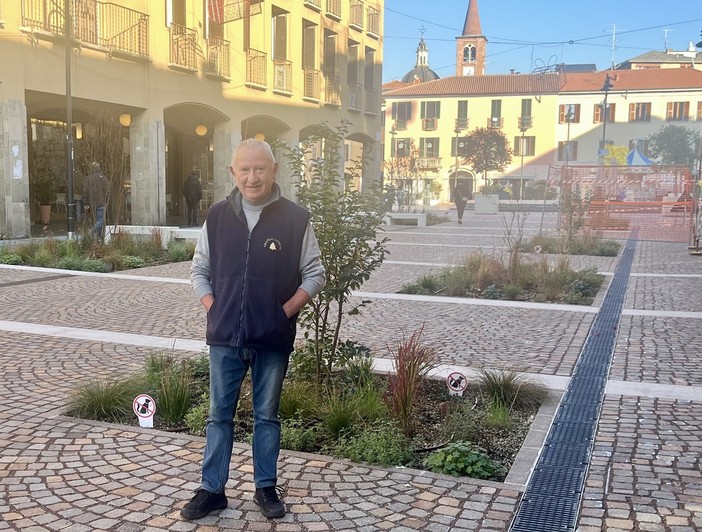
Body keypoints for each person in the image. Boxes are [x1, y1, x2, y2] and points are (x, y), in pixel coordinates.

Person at [184, 139, 326, 521]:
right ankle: (212, 491)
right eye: (244, 169)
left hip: (272, 338)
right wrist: (217, 310)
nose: (252, 177)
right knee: (218, 416)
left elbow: (315, 273)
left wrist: (285, 312)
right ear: (233, 173)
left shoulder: (296, 218)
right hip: (225, 338)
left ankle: (266, 487)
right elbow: (199, 270)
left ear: (274, 170)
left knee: (267, 415)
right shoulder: (216, 217)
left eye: (259, 168)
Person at [83, 161, 110, 239]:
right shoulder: (103, 178)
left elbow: (85, 191)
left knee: (95, 220)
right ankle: (94, 233)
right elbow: (107, 189)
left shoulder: (88, 178)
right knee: (100, 220)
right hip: (101, 202)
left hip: (92, 203)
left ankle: (96, 237)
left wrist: (85, 203)